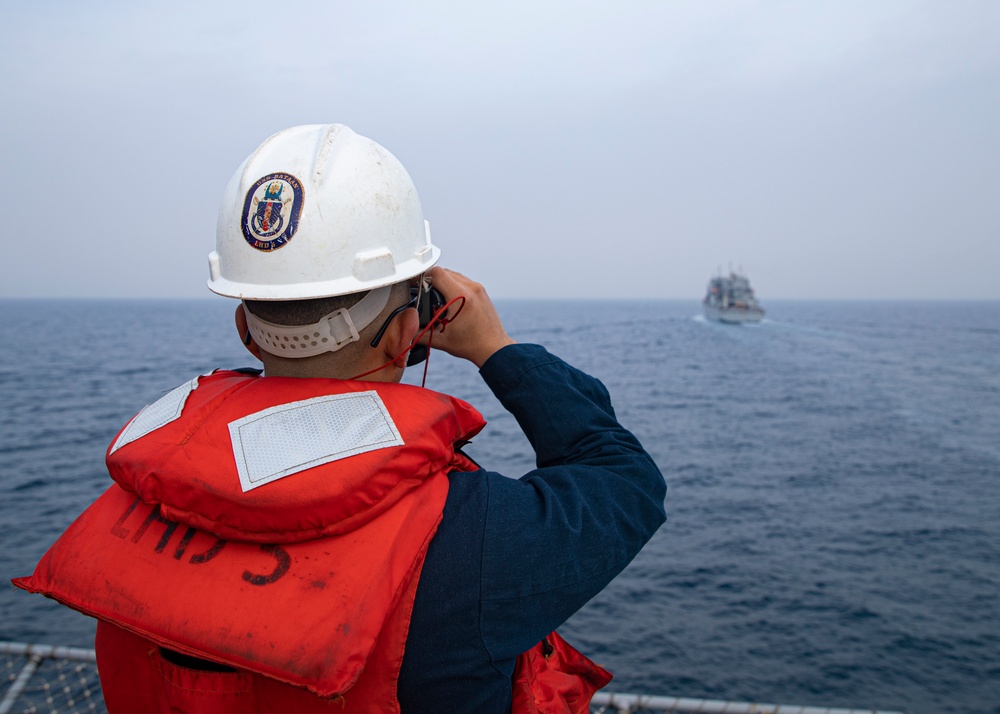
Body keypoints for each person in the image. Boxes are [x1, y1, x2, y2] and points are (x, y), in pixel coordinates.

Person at [14, 124, 666, 713]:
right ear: (406, 331)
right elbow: (624, 481)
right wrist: (498, 349)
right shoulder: (472, 539)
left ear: (245, 327)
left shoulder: (141, 497)